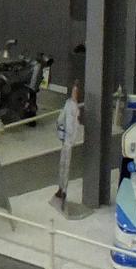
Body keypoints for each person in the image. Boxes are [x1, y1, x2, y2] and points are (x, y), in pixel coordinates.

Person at [53, 81, 85, 209]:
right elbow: (62, 118)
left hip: (69, 140)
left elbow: (75, 125)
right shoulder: (68, 104)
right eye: (74, 91)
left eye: (76, 92)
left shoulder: (76, 108)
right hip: (65, 137)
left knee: (66, 165)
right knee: (62, 164)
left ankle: (64, 189)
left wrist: (72, 139)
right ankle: (60, 188)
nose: (74, 94)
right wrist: (60, 129)